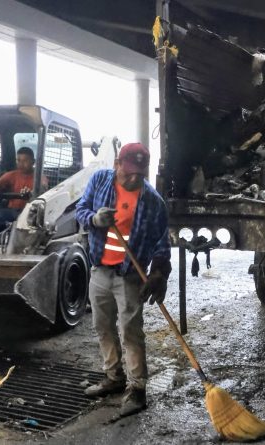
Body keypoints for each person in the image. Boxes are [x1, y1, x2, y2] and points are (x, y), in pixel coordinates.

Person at [74, 142, 171, 417]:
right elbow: (81, 210)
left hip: (130, 275)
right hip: (100, 269)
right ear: (117, 164)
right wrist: (94, 219)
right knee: (102, 325)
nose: (132, 179)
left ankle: (137, 389)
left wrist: (159, 273)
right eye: (128, 173)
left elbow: (162, 243)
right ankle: (114, 378)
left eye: (139, 175)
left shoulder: (153, 202)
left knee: (130, 332)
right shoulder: (100, 180)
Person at [0, 147, 44, 232]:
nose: (21, 164)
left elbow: (43, 187)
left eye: (25, 161)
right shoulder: (11, 175)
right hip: (12, 211)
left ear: (33, 161)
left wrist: (32, 193)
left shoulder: (40, 177)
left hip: (29, 213)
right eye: (18, 160)